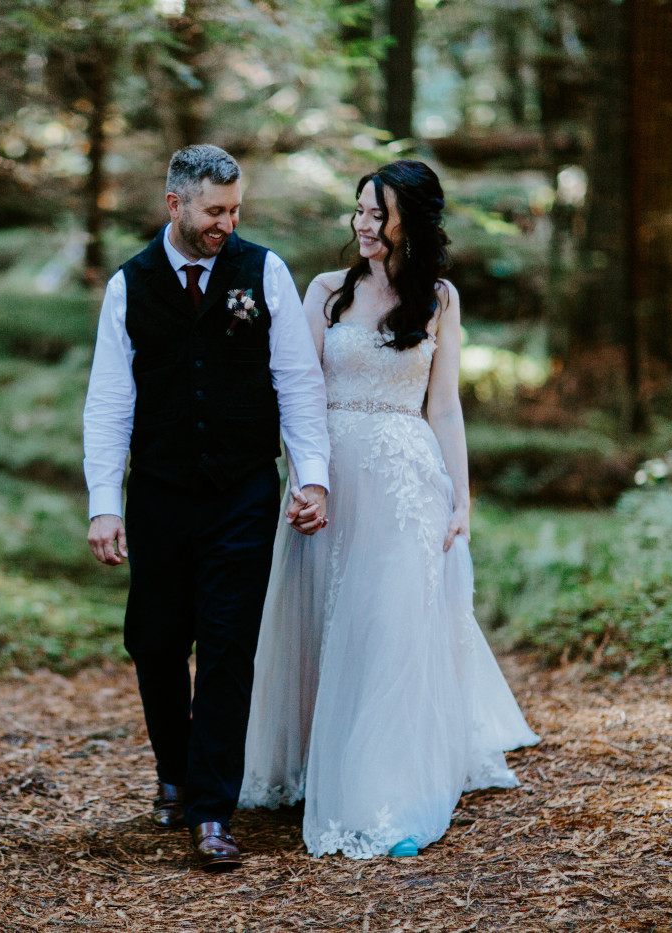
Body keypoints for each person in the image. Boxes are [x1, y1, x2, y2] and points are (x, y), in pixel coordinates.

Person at [239, 160, 539, 859]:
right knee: (326, 621)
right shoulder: (327, 292)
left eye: (378, 213)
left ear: (413, 220)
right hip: (331, 480)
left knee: (390, 628)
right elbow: (296, 393)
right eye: (359, 211)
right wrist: (303, 476)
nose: (363, 224)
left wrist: (460, 500)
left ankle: (387, 791)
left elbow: (444, 406)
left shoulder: (438, 298)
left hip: (406, 481)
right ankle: (320, 764)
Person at [82, 144, 332, 872]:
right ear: (175, 206)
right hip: (158, 493)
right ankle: (176, 768)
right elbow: (108, 403)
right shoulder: (130, 285)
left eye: (234, 209)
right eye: (214, 210)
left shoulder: (266, 271)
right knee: (155, 641)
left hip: (241, 493)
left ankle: (211, 810)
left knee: (227, 646)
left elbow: (297, 382)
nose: (227, 222)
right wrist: (105, 502)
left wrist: (309, 475)